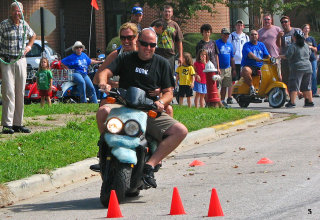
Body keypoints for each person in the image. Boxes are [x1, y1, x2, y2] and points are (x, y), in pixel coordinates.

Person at [97, 29, 188, 188]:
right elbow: (105, 71)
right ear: (138, 43)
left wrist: (161, 102)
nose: (148, 48)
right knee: (103, 111)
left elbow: (169, 92)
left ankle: (150, 165)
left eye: (152, 45)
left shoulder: (162, 63)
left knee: (181, 130)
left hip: (149, 109)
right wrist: (104, 82)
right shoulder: (125, 58)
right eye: (145, 44)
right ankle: (104, 146)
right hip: (124, 104)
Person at [0, 1, 36, 134]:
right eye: (15, 11)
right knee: (8, 92)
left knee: (20, 92)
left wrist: (29, 46)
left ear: (22, 12)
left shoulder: (24, 25)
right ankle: (7, 124)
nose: (17, 13)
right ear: (11, 12)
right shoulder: (3, 25)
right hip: (6, 62)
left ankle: (18, 123)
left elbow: (33, 35)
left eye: (19, 11)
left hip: (21, 61)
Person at [281, 30, 314, 108]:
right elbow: (309, 55)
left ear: (294, 37)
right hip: (308, 67)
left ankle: (292, 102)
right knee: (307, 85)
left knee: (294, 85)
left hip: (297, 68)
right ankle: (309, 101)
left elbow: (288, 56)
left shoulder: (293, 46)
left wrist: (280, 56)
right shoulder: (306, 45)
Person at [151, 5, 184, 73]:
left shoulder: (175, 25)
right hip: (157, 54)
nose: (167, 13)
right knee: (156, 75)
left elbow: (179, 41)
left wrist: (180, 56)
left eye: (169, 12)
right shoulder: (155, 23)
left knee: (169, 76)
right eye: (165, 11)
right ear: (163, 12)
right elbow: (149, 36)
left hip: (170, 55)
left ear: (172, 13)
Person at [195, 24, 220, 107]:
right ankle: (207, 103)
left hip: (213, 67)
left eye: (208, 32)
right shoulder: (200, 44)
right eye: (205, 32)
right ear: (202, 33)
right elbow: (197, 57)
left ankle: (216, 102)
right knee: (206, 86)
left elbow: (216, 55)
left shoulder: (213, 43)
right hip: (204, 68)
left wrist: (218, 67)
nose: (207, 34)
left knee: (215, 85)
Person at [241, 30, 270, 96]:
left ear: (258, 36)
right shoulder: (246, 45)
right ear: (249, 36)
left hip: (261, 66)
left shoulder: (261, 45)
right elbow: (250, 55)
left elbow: (267, 55)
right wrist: (257, 59)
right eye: (252, 35)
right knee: (245, 70)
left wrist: (272, 60)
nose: (254, 36)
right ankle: (252, 87)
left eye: (255, 34)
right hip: (250, 66)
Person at [258, 14, 282, 84]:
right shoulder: (259, 32)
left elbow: (281, 42)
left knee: (278, 75)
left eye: (268, 19)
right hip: (264, 58)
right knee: (266, 76)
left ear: (271, 20)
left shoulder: (277, 29)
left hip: (275, 57)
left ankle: (282, 91)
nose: (266, 21)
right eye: (265, 19)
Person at [279, 16, 301, 87]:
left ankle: (297, 92)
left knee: (296, 77)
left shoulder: (296, 31)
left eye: (285, 21)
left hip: (295, 59)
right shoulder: (282, 34)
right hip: (285, 59)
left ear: (289, 22)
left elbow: (302, 43)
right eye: (282, 22)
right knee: (285, 77)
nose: (284, 23)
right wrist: (278, 37)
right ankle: (288, 94)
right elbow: (279, 45)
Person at [216, 28, 236, 107]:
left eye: (227, 34)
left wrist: (233, 69)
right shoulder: (217, 43)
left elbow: (232, 57)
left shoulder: (230, 44)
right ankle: (217, 101)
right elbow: (215, 55)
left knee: (225, 86)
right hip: (219, 68)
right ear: (221, 34)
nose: (226, 36)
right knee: (218, 85)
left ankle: (222, 101)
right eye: (224, 34)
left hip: (228, 68)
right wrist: (217, 67)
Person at [302, 24, 318, 97]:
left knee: (313, 75)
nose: (306, 30)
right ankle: (305, 92)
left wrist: (311, 46)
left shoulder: (311, 39)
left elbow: (316, 49)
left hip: (312, 59)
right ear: (302, 30)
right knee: (304, 76)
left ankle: (314, 92)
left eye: (308, 28)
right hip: (304, 60)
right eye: (305, 28)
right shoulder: (301, 39)